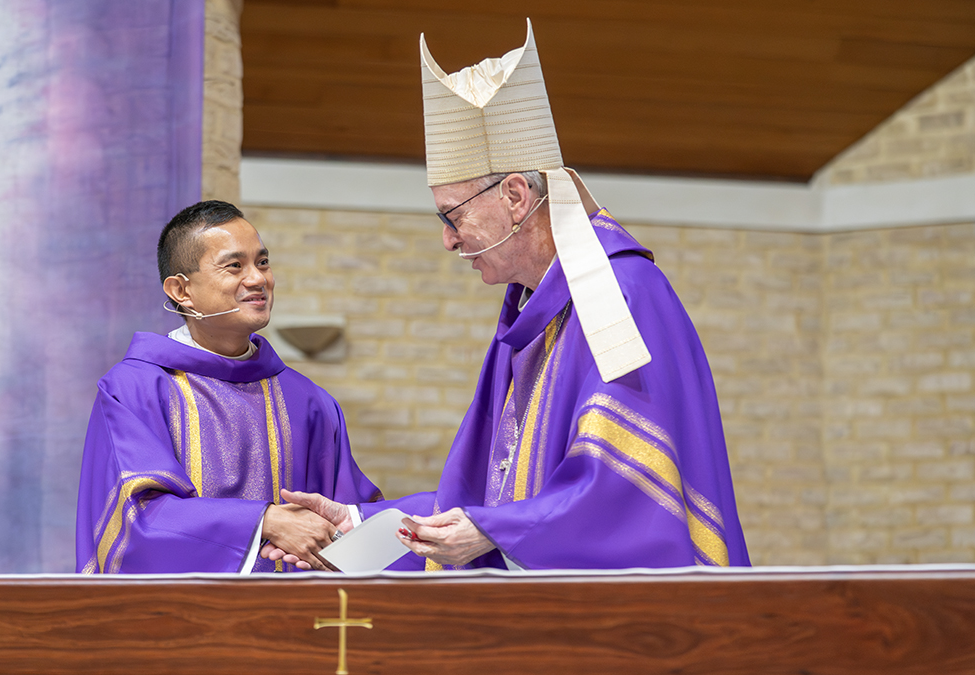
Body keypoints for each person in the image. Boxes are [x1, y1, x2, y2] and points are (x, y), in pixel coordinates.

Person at [284, 20, 750, 571]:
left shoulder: (618, 296)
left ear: (515, 195)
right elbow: (490, 495)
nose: (448, 239)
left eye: (453, 216)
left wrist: (494, 531)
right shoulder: (533, 309)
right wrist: (362, 524)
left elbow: (628, 493)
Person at [75, 200, 381, 574]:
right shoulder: (134, 390)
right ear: (181, 291)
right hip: (182, 620)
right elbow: (132, 521)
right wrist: (264, 522)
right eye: (235, 265)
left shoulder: (310, 402)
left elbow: (350, 522)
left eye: (263, 262)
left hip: (292, 619)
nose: (257, 279)